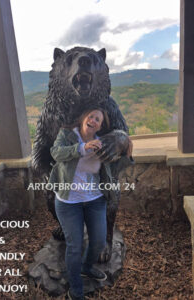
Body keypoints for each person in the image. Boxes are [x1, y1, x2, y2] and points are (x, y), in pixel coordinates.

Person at [49, 108, 133, 300]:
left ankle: (86, 268)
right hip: (68, 201)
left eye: (98, 119)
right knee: (75, 245)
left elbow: (113, 169)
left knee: (98, 241)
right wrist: (82, 148)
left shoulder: (103, 143)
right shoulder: (67, 135)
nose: (93, 120)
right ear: (83, 117)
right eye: (91, 116)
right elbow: (56, 153)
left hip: (95, 200)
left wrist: (127, 155)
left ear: (100, 126)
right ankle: (76, 292)